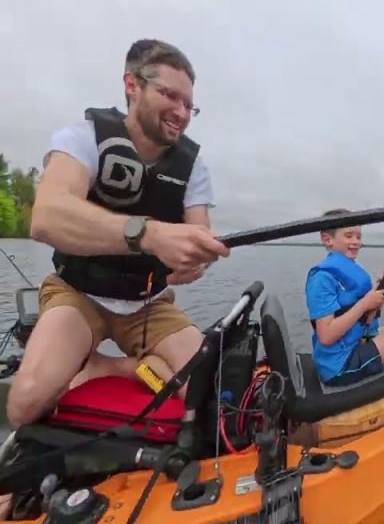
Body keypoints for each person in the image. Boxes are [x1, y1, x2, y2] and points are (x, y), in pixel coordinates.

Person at [5, 39, 230, 429]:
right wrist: (148, 234)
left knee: (214, 387)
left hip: (148, 303)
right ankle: (100, 365)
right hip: (78, 293)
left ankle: (110, 367)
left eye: (188, 104)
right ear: (132, 85)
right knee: (24, 404)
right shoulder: (82, 138)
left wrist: (195, 259)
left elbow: (197, 235)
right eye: (169, 95)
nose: (181, 112)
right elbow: (46, 217)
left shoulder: (194, 166)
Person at [305, 209, 384, 417]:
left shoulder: (346, 271)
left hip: (349, 347)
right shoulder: (322, 279)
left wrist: (378, 295)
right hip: (339, 366)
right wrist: (365, 303)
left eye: (359, 236)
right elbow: (326, 336)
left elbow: (361, 319)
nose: (356, 242)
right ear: (328, 239)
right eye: (349, 236)